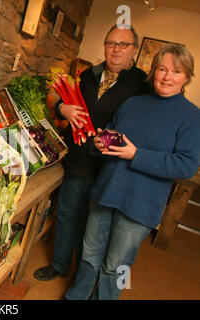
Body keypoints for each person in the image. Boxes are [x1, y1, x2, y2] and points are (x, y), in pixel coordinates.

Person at [65, 44, 200, 300]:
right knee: (89, 253)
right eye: (162, 69)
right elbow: (111, 139)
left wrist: (136, 155)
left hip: (140, 204)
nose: (167, 76)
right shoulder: (132, 104)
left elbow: (186, 165)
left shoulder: (192, 117)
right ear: (153, 71)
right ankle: (76, 297)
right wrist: (99, 144)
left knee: (115, 266)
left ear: (186, 77)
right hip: (106, 192)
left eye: (176, 71)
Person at [34, 25, 150, 281]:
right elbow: (66, 101)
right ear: (105, 46)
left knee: (95, 227)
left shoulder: (142, 84)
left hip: (111, 169)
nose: (116, 49)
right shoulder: (88, 75)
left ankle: (83, 278)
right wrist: (62, 108)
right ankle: (60, 264)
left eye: (124, 44)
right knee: (66, 215)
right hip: (78, 161)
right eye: (111, 43)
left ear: (133, 50)